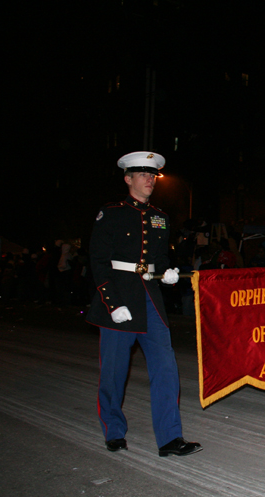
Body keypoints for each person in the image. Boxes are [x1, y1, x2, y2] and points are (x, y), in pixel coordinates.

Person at [85, 151, 202, 457]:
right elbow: (98, 261)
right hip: (121, 300)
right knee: (114, 371)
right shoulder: (110, 213)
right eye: (144, 175)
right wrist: (112, 303)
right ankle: (113, 429)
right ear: (128, 179)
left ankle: (169, 438)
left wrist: (167, 274)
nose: (150, 180)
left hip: (151, 300)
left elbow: (159, 259)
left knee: (166, 369)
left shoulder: (160, 217)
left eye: (153, 176)